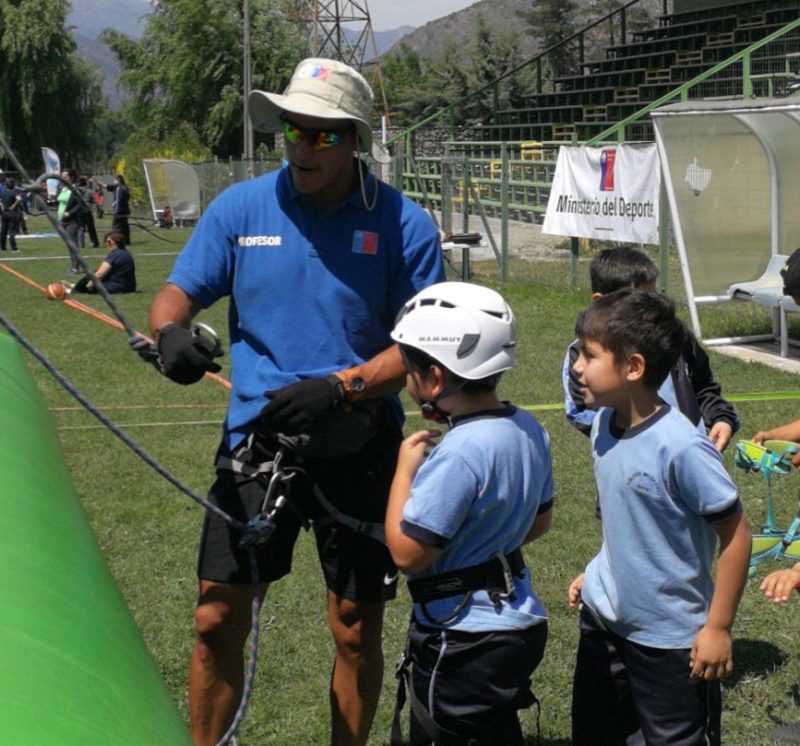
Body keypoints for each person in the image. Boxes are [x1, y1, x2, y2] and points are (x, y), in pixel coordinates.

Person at [135, 57, 444, 746]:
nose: (303, 147)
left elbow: (424, 344)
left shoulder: (405, 225)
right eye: (293, 132)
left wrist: (342, 386)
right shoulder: (241, 208)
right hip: (256, 443)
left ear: (354, 140)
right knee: (216, 617)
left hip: (362, 443)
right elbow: (177, 292)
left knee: (355, 630)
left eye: (323, 136)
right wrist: (170, 333)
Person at [567, 289, 751, 746]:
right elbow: (630, 520)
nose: (575, 366)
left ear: (633, 368)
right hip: (603, 621)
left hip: (670, 641)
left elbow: (737, 536)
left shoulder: (683, 447)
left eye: (589, 355)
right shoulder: (601, 428)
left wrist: (718, 627)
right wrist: (598, 570)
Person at [386, 282, 552, 746]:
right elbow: (539, 522)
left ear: (435, 379)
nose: (405, 379)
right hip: (517, 625)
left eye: (408, 369)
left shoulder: (458, 454)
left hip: (461, 638)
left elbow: (406, 553)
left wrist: (404, 471)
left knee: (440, 733)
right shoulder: (528, 429)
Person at [563, 247, 738, 452]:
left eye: (652, 298)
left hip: (690, 451)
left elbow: (704, 386)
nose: (649, 309)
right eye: (637, 301)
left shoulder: (675, 338)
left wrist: (721, 417)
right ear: (600, 301)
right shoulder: (582, 354)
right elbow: (580, 410)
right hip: (632, 460)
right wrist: (632, 434)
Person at [67, 231, 136, 295]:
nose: (106, 244)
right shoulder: (126, 253)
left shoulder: (114, 255)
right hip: (130, 287)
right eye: (106, 242)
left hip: (115, 287)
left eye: (109, 242)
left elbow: (99, 274)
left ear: (117, 242)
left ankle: (74, 289)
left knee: (91, 276)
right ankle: (74, 285)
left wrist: (90, 284)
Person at [57, 168, 91, 274]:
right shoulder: (63, 188)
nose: (63, 179)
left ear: (71, 178)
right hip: (62, 221)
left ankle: (75, 268)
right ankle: (73, 266)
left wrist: (70, 213)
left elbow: (81, 204)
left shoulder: (74, 189)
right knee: (69, 245)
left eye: (65, 177)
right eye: (62, 177)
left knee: (73, 245)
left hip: (72, 221)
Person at [106, 173, 131, 245]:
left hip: (119, 211)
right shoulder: (125, 187)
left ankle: (117, 241)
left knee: (116, 227)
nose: (113, 182)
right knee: (125, 226)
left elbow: (118, 200)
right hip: (125, 211)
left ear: (117, 180)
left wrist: (116, 210)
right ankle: (127, 241)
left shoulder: (119, 189)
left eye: (114, 180)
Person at [0, 176, 23, 252]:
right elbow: (19, 199)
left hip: (4, 213)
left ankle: (3, 247)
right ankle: (14, 248)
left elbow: (0, 201)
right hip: (12, 213)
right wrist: (13, 206)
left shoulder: (3, 192)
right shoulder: (14, 192)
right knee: (12, 231)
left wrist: (2, 207)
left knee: (3, 230)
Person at [78, 176, 100, 248]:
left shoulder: (76, 191)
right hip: (87, 210)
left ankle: (81, 243)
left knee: (81, 227)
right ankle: (94, 242)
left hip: (79, 210)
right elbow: (94, 200)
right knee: (91, 227)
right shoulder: (89, 191)